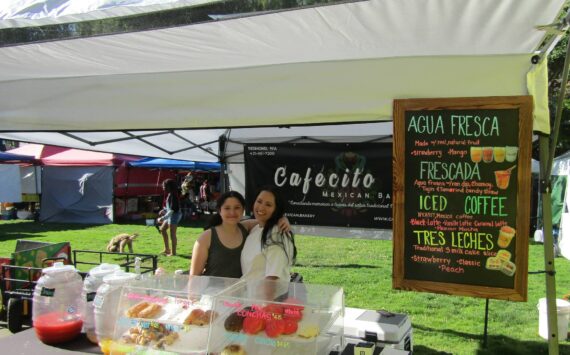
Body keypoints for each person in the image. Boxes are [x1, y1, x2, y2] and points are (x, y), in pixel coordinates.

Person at [241, 185, 296, 282]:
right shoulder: (255, 228)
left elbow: (272, 279)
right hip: (248, 295)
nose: (261, 207)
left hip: (265, 296)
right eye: (259, 201)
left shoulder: (277, 233)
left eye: (268, 205)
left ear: (276, 209)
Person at [190, 191, 250, 278]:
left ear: (243, 210)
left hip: (240, 290)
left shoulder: (247, 228)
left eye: (237, 208)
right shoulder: (206, 237)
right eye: (227, 208)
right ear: (219, 210)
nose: (232, 213)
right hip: (211, 290)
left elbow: (265, 221)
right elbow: (194, 277)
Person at [157, 179, 182, 256]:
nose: (163, 188)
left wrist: (162, 218)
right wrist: (163, 210)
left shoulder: (173, 195)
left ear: (169, 187)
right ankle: (167, 249)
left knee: (172, 234)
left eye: (164, 186)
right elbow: (169, 207)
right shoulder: (170, 194)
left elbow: (172, 210)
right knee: (162, 229)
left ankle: (173, 253)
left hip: (174, 215)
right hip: (170, 214)